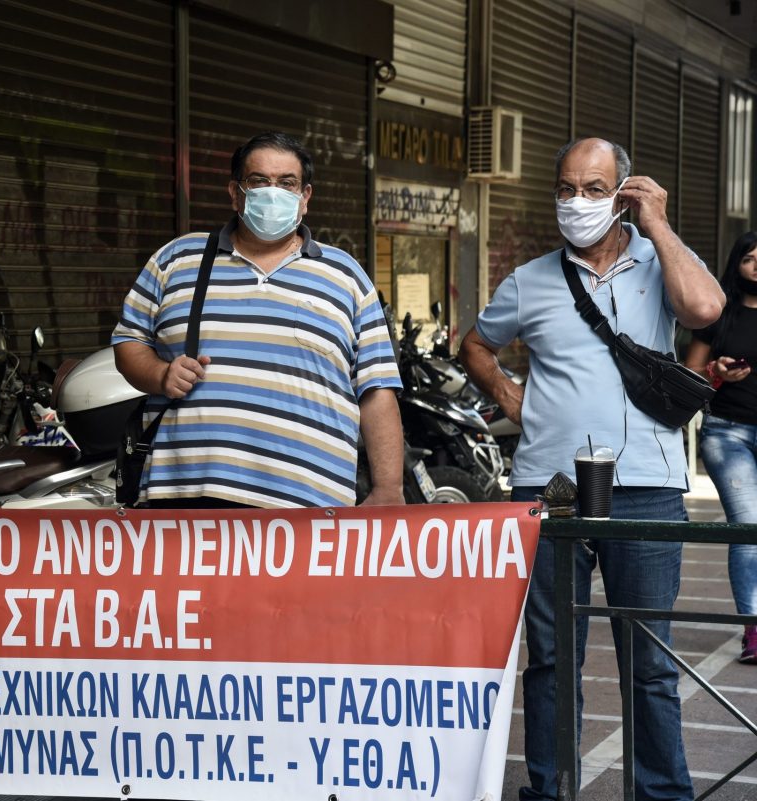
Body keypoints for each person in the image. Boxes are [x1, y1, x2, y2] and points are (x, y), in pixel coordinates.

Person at [458, 137, 724, 801]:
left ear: (623, 194)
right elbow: (477, 344)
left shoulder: (660, 261)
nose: (577, 202)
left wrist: (658, 224)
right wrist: (508, 395)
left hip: (648, 485)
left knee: (650, 658)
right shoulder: (530, 280)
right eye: (567, 189)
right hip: (551, 488)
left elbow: (705, 310)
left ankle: (662, 793)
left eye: (594, 189)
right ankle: (550, 790)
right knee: (551, 656)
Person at [111, 131, 404, 509]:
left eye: (287, 183)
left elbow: (376, 389)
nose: (273, 192)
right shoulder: (177, 260)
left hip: (307, 508)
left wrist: (388, 488)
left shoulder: (347, 277)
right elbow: (129, 342)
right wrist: (161, 374)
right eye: (259, 181)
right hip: (185, 500)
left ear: (305, 198)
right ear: (235, 193)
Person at [685, 231, 757, 663]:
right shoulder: (719, 312)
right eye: (750, 258)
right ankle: (754, 629)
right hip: (728, 433)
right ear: (737, 264)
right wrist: (717, 371)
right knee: (748, 527)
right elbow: (690, 372)